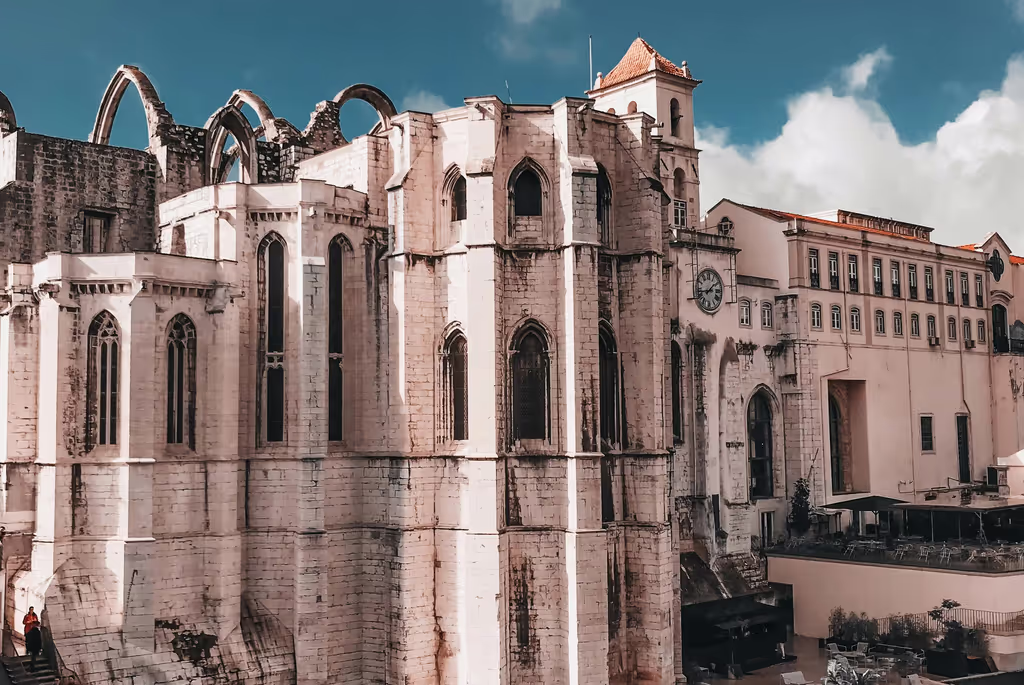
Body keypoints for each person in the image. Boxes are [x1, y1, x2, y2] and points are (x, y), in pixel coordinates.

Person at [23, 606, 41, 672]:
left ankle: (32, 667)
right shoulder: (27, 616)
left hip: (34, 644)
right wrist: (29, 622)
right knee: (27, 640)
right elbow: (24, 622)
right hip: (28, 630)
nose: (31, 611)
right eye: (31, 610)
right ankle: (28, 649)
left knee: (33, 657)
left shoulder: (35, 615)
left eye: (32, 610)